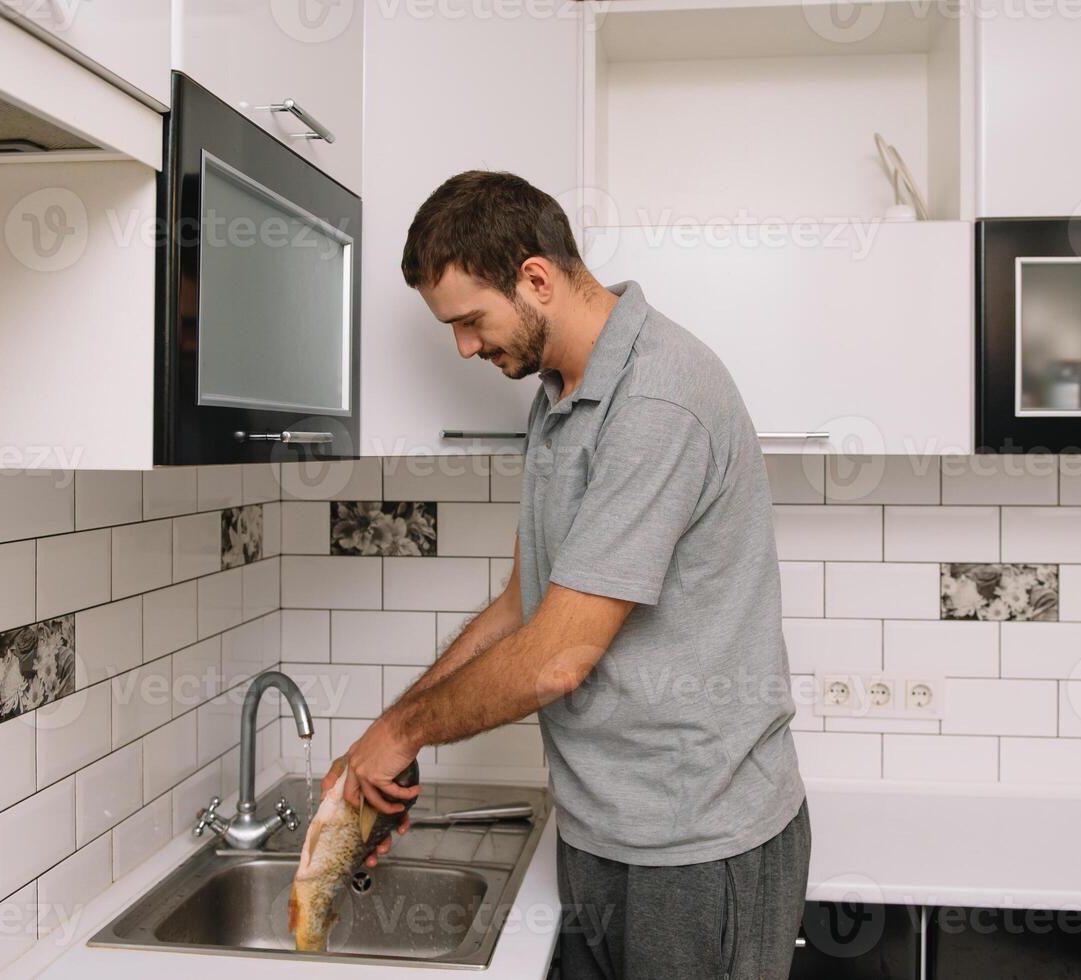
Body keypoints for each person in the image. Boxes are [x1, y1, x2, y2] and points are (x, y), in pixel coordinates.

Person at [320, 170, 809, 979]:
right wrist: (391, 736)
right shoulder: (558, 393)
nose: (466, 347)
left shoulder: (658, 399)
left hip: (696, 846)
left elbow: (558, 656)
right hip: (599, 830)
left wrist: (402, 733)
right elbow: (526, 603)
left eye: (471, 320)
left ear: (536, 278)